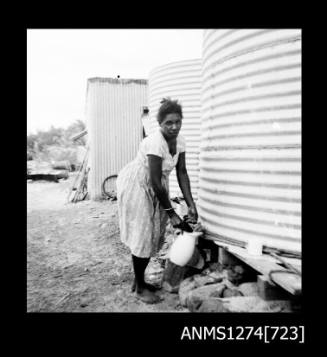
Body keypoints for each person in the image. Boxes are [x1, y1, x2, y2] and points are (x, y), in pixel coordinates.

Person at [116, 98, 198, 304]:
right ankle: (139, 287)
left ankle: (138, 283)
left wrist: (191, 203)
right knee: (143, 233)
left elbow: (182, 172)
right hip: (138, 184)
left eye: (178, 121)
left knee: (153, 233)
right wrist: (171, 212)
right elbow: (153, 180)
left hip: (157, 185)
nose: (174, 126)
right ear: (160, 124)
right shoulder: (155, 142)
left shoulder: (180, 141)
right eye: (168, 123)